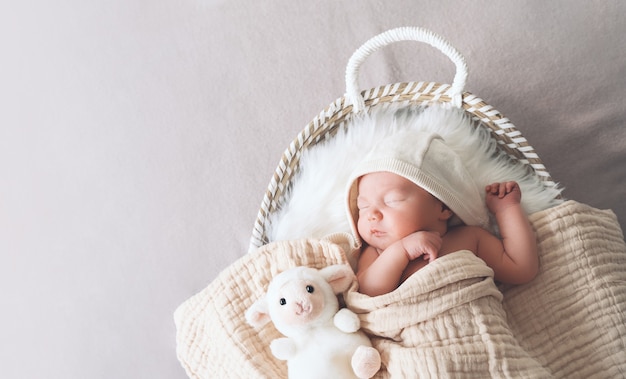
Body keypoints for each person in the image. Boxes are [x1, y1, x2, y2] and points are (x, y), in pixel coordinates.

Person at [345, 131, 538, 297]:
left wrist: (506, 209)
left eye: (392, 201)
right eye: (363, 206)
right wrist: (401, 251)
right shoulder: (376, 253)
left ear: (443, 207)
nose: (372, 215)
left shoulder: (469, 238)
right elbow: (367, 293)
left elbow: (521, 268)